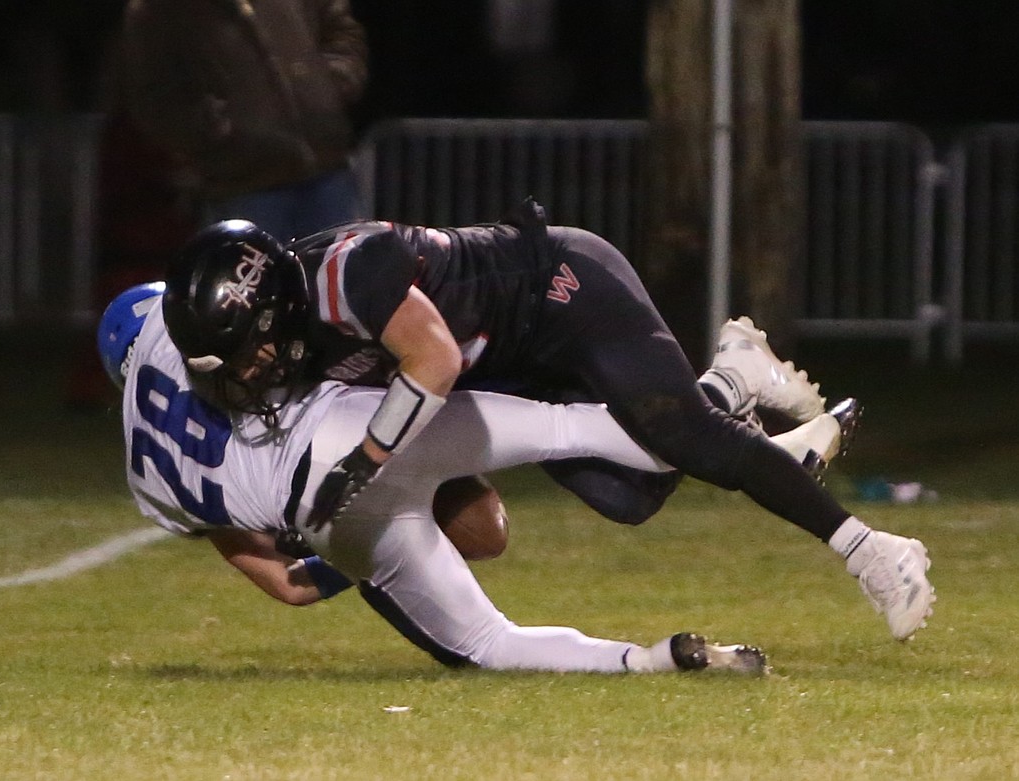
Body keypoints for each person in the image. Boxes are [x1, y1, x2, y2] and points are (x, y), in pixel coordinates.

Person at [159, 202, 936, 642]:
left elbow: (431, 362)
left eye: (248, 351)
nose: (250, 372)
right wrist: (342, 527)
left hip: (563, 294)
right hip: (514, 364)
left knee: (687, 441)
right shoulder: (296, 338)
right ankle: (732, 381)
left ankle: (875, 551)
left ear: (271, 308)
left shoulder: (343, 274)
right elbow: (484, 527)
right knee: (629, 496)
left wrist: (355, 469)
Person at [97, 282, 813, 673]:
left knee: (489, 645)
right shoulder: (180, 326)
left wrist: (369, 546)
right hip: (361, 433)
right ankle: (729, 391)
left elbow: (290, 585)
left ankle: (653, 662)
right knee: (573, 428)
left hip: (334, 520)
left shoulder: (146, 482)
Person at [119, 0, 369, 239]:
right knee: (256, 282)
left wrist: (329, 87)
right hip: (242, 186)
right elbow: (153, 99)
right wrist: (215, 128)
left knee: (341, 280)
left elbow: (340, 28)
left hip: (328, 170)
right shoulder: (159, 9)